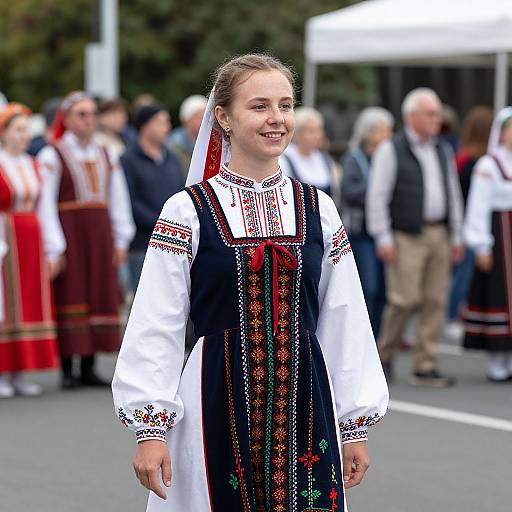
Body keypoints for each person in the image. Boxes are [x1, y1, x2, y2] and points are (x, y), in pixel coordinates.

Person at [112, 54, 388, 512]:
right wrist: (150, 430)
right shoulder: (187, 211)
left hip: (304, 399)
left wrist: (351, 424)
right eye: (259, 106)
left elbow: (345, 317)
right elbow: (156, 322)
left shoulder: (318, 208)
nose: (276, 119)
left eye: (285, 105)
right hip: (214, 398)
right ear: (223, 117)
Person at [366, 87, 464, 387]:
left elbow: (452, 193)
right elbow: (378, 195)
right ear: (412, 116)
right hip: (406, 234)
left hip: (439, 231)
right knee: (404, 299)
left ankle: (425, 363)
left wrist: (457, 234)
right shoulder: (391, 149)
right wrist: (382, 236)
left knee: (436, 299)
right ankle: (385, 353)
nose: (437, 119)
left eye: (437, 113)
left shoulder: (441, 149)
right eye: (431, 113)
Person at [37, 91, 135, 389]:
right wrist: (55, 245)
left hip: (99, 232)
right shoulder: (52, 154)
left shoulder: (105, 153)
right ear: (66, 119)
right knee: (71, 293)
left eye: (92, 114)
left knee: (97, 292)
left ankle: (90, 364)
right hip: (70, 232)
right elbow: (46, 203)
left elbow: (118, 199)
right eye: (81, 114)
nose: (88, 120)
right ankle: (68, 368)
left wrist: (121, 238)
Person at [0, 103, 59, 397]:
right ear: (4, 134)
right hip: (5, 237)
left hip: (30, 238)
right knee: (6, 304)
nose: (24, 136)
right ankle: (3, 372)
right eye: (18, 130)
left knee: (27, 301)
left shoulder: (34, 164)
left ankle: (21, 371)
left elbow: (46, 207)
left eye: (26, 130)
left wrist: (53, 247)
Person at [463, 107, 512, 382]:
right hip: (500, 237)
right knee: (499, 296)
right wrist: (481, 244)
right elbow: (478, 206)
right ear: (500, 133)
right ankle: (497, 360)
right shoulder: (488, 165)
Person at [341, 106, 394, 337]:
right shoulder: (354, 159)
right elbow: (350, 192)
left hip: (384, 232)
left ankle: (378, 337)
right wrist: (379, 189)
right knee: (368, 289)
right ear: (369, 133)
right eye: (384, 130)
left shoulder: (389, 158)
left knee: (385, 290)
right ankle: (363, 337)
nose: (388, 136)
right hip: (360, 233)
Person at [121, 104, 185, 291]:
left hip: (173, 243)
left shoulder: (172, 159)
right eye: (161, 122)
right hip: (142, 245)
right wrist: (159, 224)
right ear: (145, 126)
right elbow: (129, 201)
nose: (167, 127)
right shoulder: (128, 160)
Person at [446, 106, 494, 339]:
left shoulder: (463, 157)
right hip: (470, 222)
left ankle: (455, 313)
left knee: (463, 274)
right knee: (464, 274)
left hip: (463, 220)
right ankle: (453, 314)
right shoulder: (478, 162)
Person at [280, 106, 342, 207]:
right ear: (297, 134)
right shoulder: (284, 160)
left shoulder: (325, 159)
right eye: (311, 131)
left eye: (319, 130)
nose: (317, 135)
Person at [168, 94, 207, 179]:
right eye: (200, 116)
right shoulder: (173, 145)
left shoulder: (210, 144)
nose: (205, 120)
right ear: (186, 120)